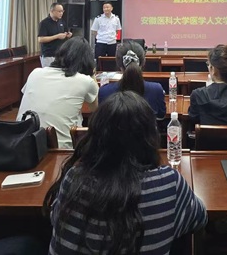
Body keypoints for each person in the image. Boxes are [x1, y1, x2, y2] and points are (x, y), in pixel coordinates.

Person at [44, 91, 207, 254]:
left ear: (95, 137)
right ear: (151, 137)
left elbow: (55, 219)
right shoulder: (168, 182)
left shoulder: (73, 178)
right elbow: (199, 219)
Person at [18, 37, 98, 148]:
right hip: (61, 148)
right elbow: (95, 109)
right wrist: (92, 72)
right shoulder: (85, 81)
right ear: (87, 60)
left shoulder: (35, 73)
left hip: (22, 143)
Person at [98, 39, 166, 119]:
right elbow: (161, 116)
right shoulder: (156, 90)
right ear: (143, 63)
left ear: (119, 64)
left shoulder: (104, 92)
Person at [38, 3, 72, 67]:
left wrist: (68, 35)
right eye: (59, 11)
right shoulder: (44, 23)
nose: (61, 13)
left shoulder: (62, 22)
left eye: (62, 11)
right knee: (49, 72)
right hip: (49, 55)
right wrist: (57, 36)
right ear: (52, 11)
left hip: (60, 54)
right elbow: (40, 39)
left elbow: (65, 33)